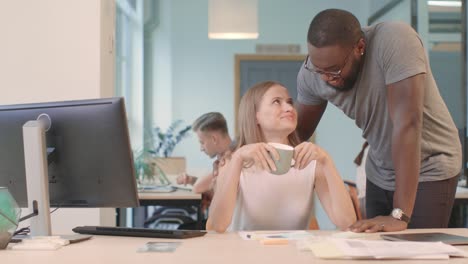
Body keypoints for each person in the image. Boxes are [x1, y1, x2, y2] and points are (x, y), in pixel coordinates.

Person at [296, 9, 461, 232]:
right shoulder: (310, 74)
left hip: (429, 166)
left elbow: (407, 125)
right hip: (380, 170)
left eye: (334, 70)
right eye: (319, 70)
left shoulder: (395, 41)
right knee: (376, 250)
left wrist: (399, 214)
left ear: (360, 48)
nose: (326, 78)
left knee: (419, 253)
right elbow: (295, 135)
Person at [207, 81, 356, 232]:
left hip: (293, 254)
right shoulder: (233, 162)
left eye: (290, 102)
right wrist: (238, 158)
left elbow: (347, 222)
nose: (289, 108)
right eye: (276, 101)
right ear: (255, 116)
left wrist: (327, 161)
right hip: (245, 254)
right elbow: (216, 226)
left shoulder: (312, 164)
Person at [176, 112, 233, 204]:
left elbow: (198, 187)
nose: (201, 148)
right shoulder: (223, 157)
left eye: (202, 142)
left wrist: (197, 183)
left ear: (214, 139)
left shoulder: (232, 158)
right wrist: (190, 180)